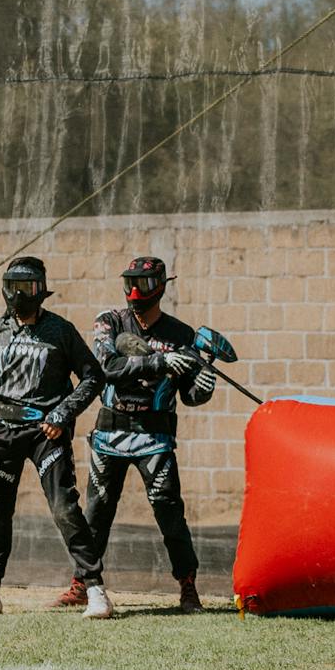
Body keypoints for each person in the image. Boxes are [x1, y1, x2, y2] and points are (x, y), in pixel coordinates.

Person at [0, 256, 106, 614]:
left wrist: (63, 414)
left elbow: (93, 375)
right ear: (5, 290)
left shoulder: (60, 331)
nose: (20, 296)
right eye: (14, 288)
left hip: (45, 433)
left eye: (28, 288)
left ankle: (95, 589)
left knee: (65, 508)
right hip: (0, 433)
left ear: (41, 291)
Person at [74, 255, 219, 617]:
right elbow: (107, 367)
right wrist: (159, 362)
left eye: (145, 285)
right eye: (129, 284)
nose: (136, 292)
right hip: (109, 433)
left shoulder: (183, 335)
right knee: (96, 513)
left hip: (155, 436)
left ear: (162, 288)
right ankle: (82, 584)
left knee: (169, 513)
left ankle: (188, 587)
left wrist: (202, 387)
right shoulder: (109, 322)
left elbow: (189, 395)